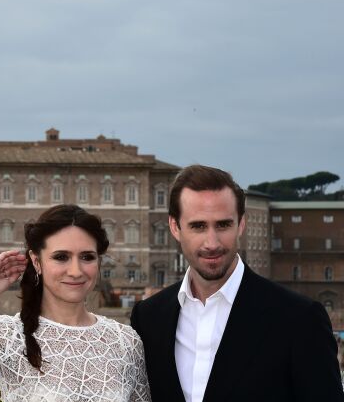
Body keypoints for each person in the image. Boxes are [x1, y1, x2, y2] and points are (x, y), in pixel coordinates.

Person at [130, 165, 344, 402]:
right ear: (175, 227)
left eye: (223, 225)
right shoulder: (148, 318)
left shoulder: (300, 318)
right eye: (198, 226)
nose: (212, 243)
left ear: (240, 225)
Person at [0, 204, 151, 401]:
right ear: (36, 261)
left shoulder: (125, 342)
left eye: (87, 257)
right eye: (61, 257)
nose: (76, 271)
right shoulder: (7, 335)